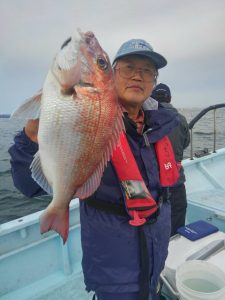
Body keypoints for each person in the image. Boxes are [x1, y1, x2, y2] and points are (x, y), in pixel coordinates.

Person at [9, 39, 180, 300]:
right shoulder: (91, 114)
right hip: (114, 275)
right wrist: (30, 136)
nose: (138, 75)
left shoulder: (162, 127)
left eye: (147, 71)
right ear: (111, 75)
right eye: (129, 68)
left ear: (154, 82)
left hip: (157, 260)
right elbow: (27, 185)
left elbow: (172, 188)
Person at [151, 83, 190, 236]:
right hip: (176, 180)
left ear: (153, 99)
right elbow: (185, 142)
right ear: (170, 98)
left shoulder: (147, 118)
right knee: (178, 218)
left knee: (155, 223)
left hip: (154, 184)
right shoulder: (181, 119)